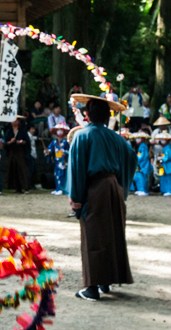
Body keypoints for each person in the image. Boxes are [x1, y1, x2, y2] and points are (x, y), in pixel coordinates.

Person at [66, 94, 136, 301]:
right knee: (112, 233)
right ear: (107, 117)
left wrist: (75, 198)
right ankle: (107, 281)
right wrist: (121, 185)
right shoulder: (116, 138)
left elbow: (77, 168)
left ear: (87, 115)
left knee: (93, 235)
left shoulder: (82, 136)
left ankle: (92, 288)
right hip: (114, 188)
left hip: (95, 189)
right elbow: (131, 159)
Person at [5, 117, 30, 194]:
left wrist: (22, 142)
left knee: (23, 169)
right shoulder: (9, 131)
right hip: (12, 152)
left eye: (16, 120)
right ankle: (17, 188)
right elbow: (5, 143)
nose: (14, 122)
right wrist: (10, 142)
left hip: (20, 152)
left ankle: (26, 188)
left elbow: (27, 141)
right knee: (13, 170)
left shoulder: (22, 131)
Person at [45, 122, 70, 195]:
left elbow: (70, 150)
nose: (59, 131)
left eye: (61, 130)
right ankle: (57, 188)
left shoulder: (66, 142)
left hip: (63, 160)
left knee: (62, 174)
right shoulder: (54, 141)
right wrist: (48, 152)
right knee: (56, 174)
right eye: (58, 130)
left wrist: (65, 152)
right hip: (56, 160)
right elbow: (50, 148)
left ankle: (62, 188)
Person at [129, 131, 151, 196]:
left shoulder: (143, 146)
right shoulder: (141, 146)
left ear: (143, 139)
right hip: (140, 164)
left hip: (143, 165)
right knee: (138, 177)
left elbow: (143, 156)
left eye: (139, 138)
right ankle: (140, 189)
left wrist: (136, 158)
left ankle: (143, 190)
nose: (136, 140)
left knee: (142, 178)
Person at [27, 124, 39, 190]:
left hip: (33, 155)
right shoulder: (28, 135)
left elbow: (33, 137)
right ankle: (30, 185)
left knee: (33, 171)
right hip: (30, 154)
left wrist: (38, 138)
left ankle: (32, 184)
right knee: (31, 171)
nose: (33, 130)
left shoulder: (31, 136)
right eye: (32, 129)